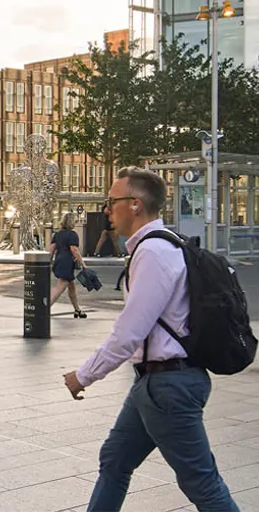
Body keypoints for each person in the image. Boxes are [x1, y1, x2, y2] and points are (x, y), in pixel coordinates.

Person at [64, 167, 240, 512]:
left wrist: (84, 375)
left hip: (169, 386)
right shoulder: (157, 246)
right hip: (154, 382)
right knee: (115, 460)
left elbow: (130, 332)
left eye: (111, 202)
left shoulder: (154, 253)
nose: (106, 210)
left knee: (201, 482)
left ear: (134, 205)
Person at [50, 212, 86, 319]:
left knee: (71, 287)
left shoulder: (57, 234)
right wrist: (83, 264)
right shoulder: (72, 234)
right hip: (67, 262)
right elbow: (74, 250)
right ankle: (45, 308)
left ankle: (77, 310)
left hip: (59, 260)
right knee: (60, 287)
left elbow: (51, 249)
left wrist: (47, 263)